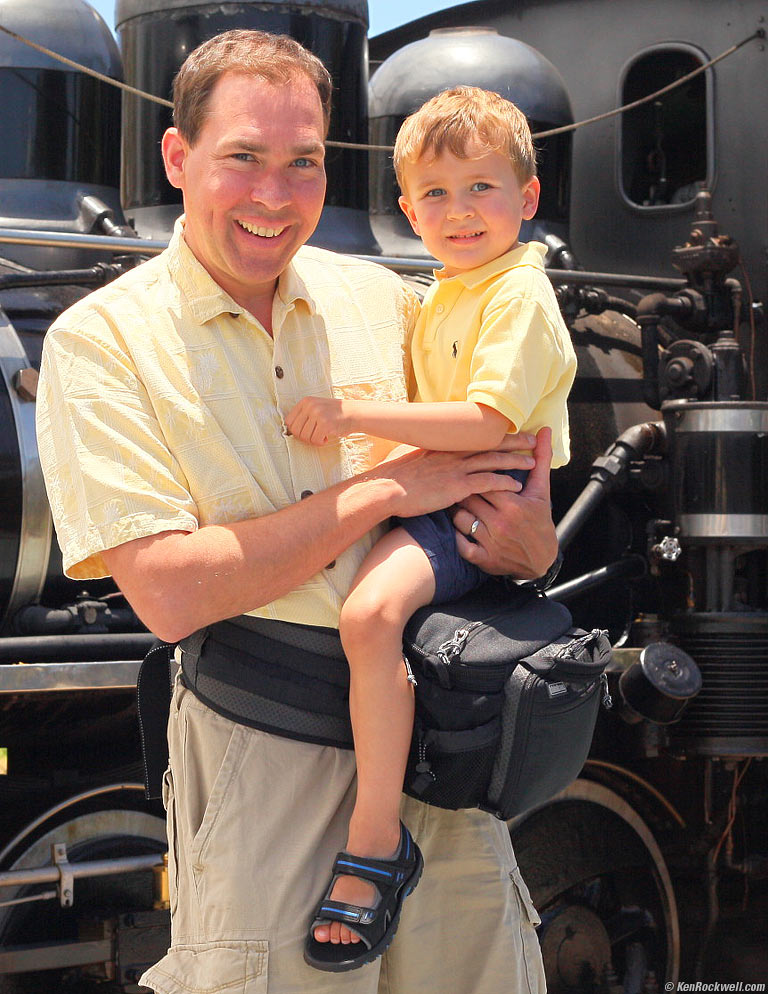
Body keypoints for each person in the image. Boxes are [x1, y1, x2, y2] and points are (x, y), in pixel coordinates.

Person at [36, 30, 554, 994]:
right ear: (178, 157)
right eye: (243, 157)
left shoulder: (391, 302)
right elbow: (170, 595)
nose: (274, 195)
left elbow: (510, 487)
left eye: (303, 162)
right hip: (262, 754)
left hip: (441, 751)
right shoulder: (100, 343)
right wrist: (386, 491)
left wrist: (529, 540)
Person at [287, 86, 577, 971]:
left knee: (370, 616)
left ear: (528, 197)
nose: (460, 212)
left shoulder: (518, 296)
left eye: (482, 187)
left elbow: (487, 420)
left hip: (475, 496)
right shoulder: (449, 290)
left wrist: (348, 416)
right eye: (437, 195)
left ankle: (377, 837)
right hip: (442, 488)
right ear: (408, 212)